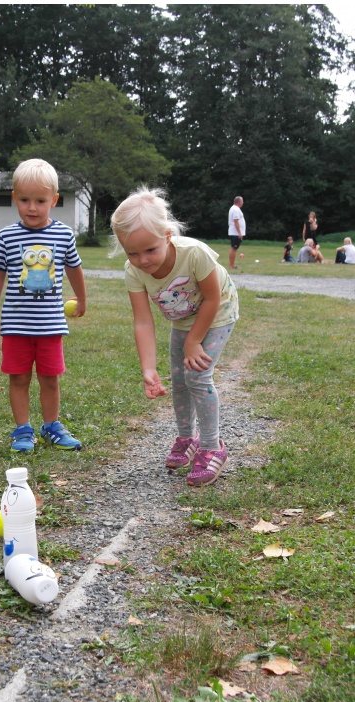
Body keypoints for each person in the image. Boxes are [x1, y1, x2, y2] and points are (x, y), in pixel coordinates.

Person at [110, 187, 240, 487]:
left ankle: (211, 446)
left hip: (217, 311)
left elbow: (211, 299)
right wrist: (147, 368)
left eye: (150, 250)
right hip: (184, 319)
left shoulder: (194, 254)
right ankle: (186, 438)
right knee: (179, 379)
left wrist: (194, 341)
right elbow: (143, 321)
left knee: (196, 376)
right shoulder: (133, 271)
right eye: (132, 253)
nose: (142, 260)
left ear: (167, 235)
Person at [0, 159, 86, 453]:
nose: (32, 207)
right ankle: (22, 430)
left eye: (40, 201)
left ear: (53, 200)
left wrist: (82, 298)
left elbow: (74, 269)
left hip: (50, 325)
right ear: (14, 198)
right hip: (16, 325)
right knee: (18, 377)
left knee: (50, 378)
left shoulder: (63, 234)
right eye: (25, 200)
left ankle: (52, 426)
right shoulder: (7, 236)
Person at [227, 196, 245, 270]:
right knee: (234, 248)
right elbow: (236, 221)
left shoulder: (235, 209)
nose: (243, 203)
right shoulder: (235, 209)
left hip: (235, 232)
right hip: (235, 233)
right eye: (242, 201)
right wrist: (239, 233)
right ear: (239, 202)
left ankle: (232, 265)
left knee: (234, 248)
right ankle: (231, 265)